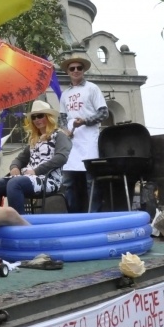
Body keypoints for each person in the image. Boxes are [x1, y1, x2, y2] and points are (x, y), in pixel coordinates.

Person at [0, 100, 72, 214]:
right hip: (28, 178)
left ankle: (19, 224)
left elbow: (61, 158)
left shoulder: (59, 135)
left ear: (49, 117)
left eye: (40, 116)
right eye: (34, 117)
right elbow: (20, 159)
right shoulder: (35, 139)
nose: (36, 120)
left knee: (15, 184)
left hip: (49, 180)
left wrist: (36, 171)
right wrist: (14, 167)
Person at [58, 54, 108, 213]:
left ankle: (93, 214)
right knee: (69, 181)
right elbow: (62, 117)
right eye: (72, 68)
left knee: (90, 180)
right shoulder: (65, 94)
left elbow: (104, 113)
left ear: (83, 70)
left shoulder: (92, 88)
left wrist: (85, 121)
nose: (76, 70)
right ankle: (74, 215)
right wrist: (65, 130)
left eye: (79, 68)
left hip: (88, 139)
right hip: (72, 140)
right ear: (68, 72)